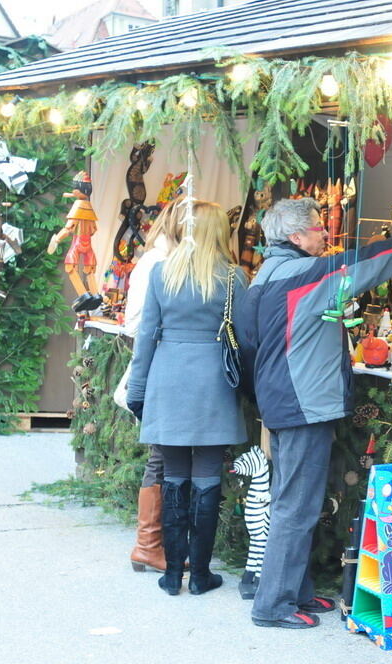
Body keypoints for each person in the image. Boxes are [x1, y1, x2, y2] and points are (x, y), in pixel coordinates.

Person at [236, 198, 392, 629]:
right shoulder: (306, 274)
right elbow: (368, 262)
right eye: (317, 228)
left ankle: (292, 592)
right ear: (295, 237)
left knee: (293, 501)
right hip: (301, 405)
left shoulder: (266, 275)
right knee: (295, 506)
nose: (325, 234)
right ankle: (272, 606)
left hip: (284, 400)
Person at [126, 200, 247, 596]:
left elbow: (145, 336)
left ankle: (172, 573)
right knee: (209, 477)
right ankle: (200, 576)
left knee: (172, 475)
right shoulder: (234, 277)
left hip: (169, 381)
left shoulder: (162, 274)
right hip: (213, 383)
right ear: (218, 232)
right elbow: (245, 340)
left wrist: (138, 390)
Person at [120, 199, 183, 574]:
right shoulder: (157, 263)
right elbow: (136, 322)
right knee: (161, 456)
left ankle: (151, 543)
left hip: (166, 368)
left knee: (163, 456)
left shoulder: (161, 259)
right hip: (162, 369)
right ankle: (148, 544)